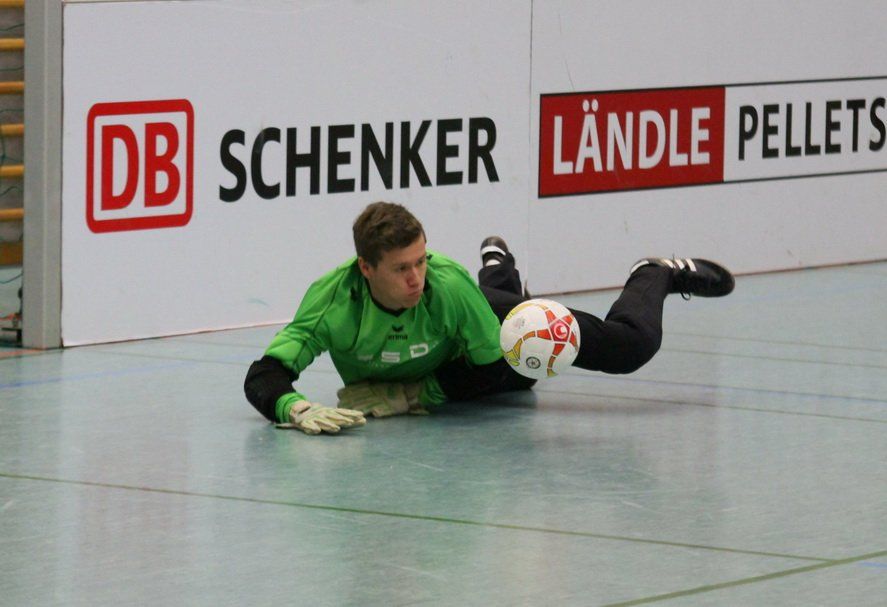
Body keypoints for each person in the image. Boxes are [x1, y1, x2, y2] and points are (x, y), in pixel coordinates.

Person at [244, 201, 734, 434]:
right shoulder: (332, 301)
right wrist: (295, 409)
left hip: (476, 328)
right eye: (401, 269)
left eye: (421, 260)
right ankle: (499, 269)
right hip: (466, 326)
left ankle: (653, 272)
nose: (416, 278)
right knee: (510, 351)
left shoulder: (445, 284)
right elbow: (266, 373)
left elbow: (496, 368)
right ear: (366, 268)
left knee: (625, 349)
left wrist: (415, 394)